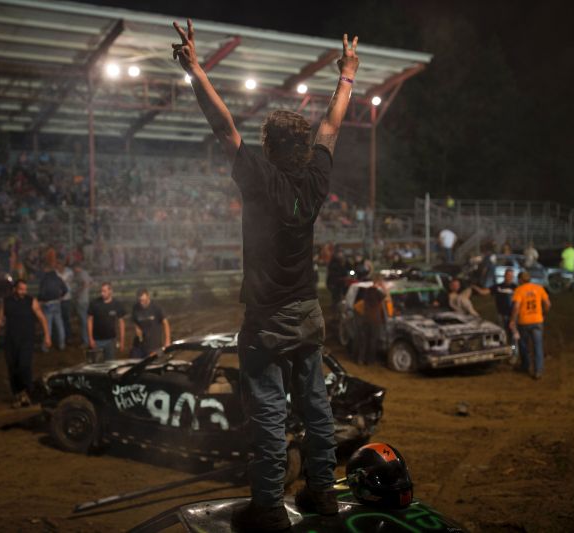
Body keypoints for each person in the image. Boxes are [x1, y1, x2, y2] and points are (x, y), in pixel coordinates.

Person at [172, 20, 359, 529]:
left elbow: (223, 125)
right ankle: (321, 492)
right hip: (308, 313)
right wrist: (347, 76)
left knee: (270, 413)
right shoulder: (316, 179)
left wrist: (195, 69)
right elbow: (331, 127)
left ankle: (270, 506)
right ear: (300, 150)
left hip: (269, 318)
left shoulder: (258, 178)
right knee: (317, 407)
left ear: (269, 148)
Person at [0, 280, 51, 408]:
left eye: (25, 289)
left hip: (26, 340)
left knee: (24, 366)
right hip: (10, 341)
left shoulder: (31, 301)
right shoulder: (6, 302)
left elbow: (42, 318)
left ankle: (29, 393)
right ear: (14, 289)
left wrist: (47, 336)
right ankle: (18, 395)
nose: (24, 291)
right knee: (12, 368)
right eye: (21, 289)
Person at [510, 271, 551, 379]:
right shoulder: (539, 288)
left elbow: (516, 307)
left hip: (524, 322)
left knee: (523, 345)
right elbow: (548, 304)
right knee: (538, 346)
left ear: (520, 280)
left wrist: (513, 320)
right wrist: (543, 314)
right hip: (537, 321)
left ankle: (525, 364)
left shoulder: (519, 290)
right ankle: (538, 371)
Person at [353, 276, 393, 365]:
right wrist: (384, 288)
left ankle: (360, 359)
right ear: (379, 283)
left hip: (365, 319)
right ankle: (370, 361)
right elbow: (387, 298)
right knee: (373, 340)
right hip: (374, 320)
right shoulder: (378, 292)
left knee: (364, 340)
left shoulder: (367, 291)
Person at [87, 282, 126, 361]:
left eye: (104, 291)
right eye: (101, 291)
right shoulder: (94, 303)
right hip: (97, 340)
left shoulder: (117, 304)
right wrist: (90, 339)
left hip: (111, 340)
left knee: (111, 363)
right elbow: (89, 320)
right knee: (96, 365)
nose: (102, 293)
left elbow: (121, 323)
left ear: (110, 291)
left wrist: (122, 341)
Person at [131, 288, 171, 357]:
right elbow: (134, 321)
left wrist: (167, 341)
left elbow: (166, 323)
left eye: (143, 300)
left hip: (155, 345)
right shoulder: (135, 308)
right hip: (140, 345)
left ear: (148, 296)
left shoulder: (157, 308)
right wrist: (137, 328)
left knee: (157, 364)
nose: (141, 302)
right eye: (139, 300)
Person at [38, 265, 68, 351]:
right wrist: (60, 297)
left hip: (48, 304)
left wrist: (41, 300)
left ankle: (45, 347)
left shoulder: (45, 279)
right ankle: (62, 345)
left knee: (47, 326)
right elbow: (65, 290)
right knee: (59, 325)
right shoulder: (58, 278)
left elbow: (42, 293)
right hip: (57, 303)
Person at [490, 268, 517, 349]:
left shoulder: (516, 288)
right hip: (501, 315)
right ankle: (501, 350)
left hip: (512, 316)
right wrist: (474, 288)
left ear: (512, 277)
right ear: (504, 275)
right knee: (500, 334)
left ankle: (513, 352)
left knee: (512, 336)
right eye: (507, 275)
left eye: (510, 275)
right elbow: (485, 291)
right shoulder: (498, 286)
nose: (509, 277)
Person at [72, 262, 92, 345]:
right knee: (85, 320)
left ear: (77, 267)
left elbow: (85, 284)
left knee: (83, 321)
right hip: (85, 299)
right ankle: (87, 338)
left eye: (74, 268)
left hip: (81, 300)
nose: (74, 270)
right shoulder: (85, 273)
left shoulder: (81, 274)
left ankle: (86, 340)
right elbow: (91, 282)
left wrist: (78, 292)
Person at [55, 261, 75, 343]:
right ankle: (60, 338)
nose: (58, 266)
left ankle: (68, 337)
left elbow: (68, 281)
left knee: (66, 319)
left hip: (67, 298)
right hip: (58, 299)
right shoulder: (55, 272)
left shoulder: (69, 272)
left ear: (63, 265)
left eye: (60, 264)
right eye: (57, 264)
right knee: (58, 320)